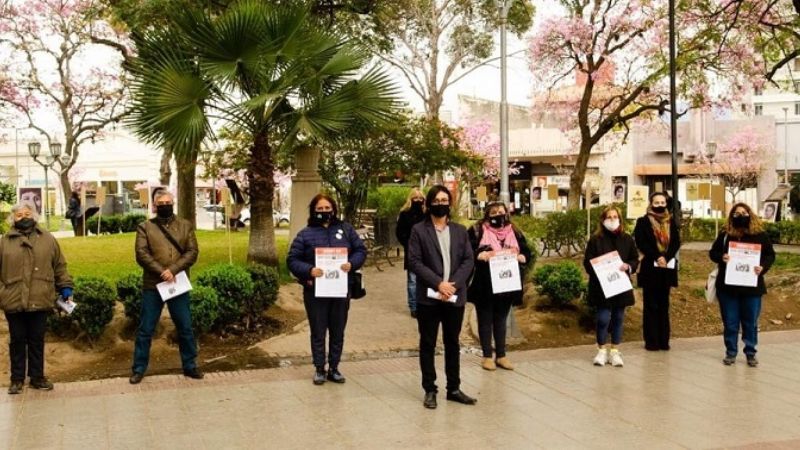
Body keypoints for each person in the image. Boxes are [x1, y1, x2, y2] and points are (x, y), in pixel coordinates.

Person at [408, 185, 476, 409]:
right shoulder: (419, 230)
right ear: (429, 204)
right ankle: (430, 388)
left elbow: (468, 260)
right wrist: (439, 284)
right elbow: (415, 262)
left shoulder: (459, 230)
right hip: (429, 296)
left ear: (450, 203)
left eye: (444, 199)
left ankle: (454, 388)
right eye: (436, 200)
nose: (440, 203)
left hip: (454, 296)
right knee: (427, 343)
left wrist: (452, 286)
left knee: (452, 342)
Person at [287, 194, 366, 385]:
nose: (324, 212)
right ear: (313, 211)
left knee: (338, 330)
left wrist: (351, 263)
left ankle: (335, 367)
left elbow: (361, 250)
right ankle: (319, 368)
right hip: (315, 291)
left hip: (340, 290)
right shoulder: (305, 234)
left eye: (327, 208)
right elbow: (292, 260)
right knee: (318, 331)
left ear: (334, 209)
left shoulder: (346, 229)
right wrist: (309, 270)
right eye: (319, 209)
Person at [130, 191, 202, 384]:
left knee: (185, 327)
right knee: (146, 329)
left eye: (167, 202)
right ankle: (138, 369)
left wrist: (173, 270)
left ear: (173, 203)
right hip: (153, 285)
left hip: (178, 284)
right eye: (160, 203)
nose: (164, 205)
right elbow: (141, 253)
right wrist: (162, 271)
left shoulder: (185, 225)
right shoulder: (145, 227)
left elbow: (192, 252)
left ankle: (190, 365)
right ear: (155, 205)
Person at [1, 202, 73, 394]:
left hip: (40, 297)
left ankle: (37, 377)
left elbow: (59, 265)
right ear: (13, 219)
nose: (24, 217)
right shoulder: (4, 241)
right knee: (17, 340)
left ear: (34, 215)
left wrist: (65, 286)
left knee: (36, 340)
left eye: (27, 213)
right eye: (19, 215)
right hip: (13, 299)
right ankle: (16, 379)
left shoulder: (48, 239)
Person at [467, 202, 532, 371]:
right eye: (494, 212)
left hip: (506, 283)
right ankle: (487, 356)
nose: (498, 215)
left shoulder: (514, 231)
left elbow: (526, 250)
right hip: (484, 284)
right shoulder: (477, 230)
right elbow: (466, 251)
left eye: (501, 212)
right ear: (487, 214)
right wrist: (479, 255)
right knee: (485, 319)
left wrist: (523, 256)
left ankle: (501, 355)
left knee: (501, 319)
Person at [709, 203, 775, 367]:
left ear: (750, 214)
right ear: (731, 216)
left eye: (744, 213)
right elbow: (713, 253)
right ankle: (731, 352)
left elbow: (770, 255)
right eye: (736, 213)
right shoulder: (725, 234)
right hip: (728, 287)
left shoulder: (760, 234)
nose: (740, 216)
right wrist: (722, 257)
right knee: (730, 322)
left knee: (750, 322)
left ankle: (750, 352)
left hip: (751, 287)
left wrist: (763, 267)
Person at [583, 206, 639, 367]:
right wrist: (598, 268)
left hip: (620, 285)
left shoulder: (627, 239)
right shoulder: (595, 240)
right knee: (603, 318)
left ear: (620, 220)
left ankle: (615, 351)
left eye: (615, 217)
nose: (612, 220)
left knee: (618, 318)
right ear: (603, 220)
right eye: (609, 217)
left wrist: (628, 266)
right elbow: (587, 261)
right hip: (602, 287)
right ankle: (601, 350)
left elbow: (634, 259)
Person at [634, 192, 681, 351]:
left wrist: (666, 258)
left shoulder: (671, 222)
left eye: (663, 202)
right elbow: (641, 242)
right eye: (657, 202)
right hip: (650, 268)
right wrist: (657, 256)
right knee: (651, 305)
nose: (660, 205)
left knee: (664, 305)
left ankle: (664, 340)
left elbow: (676, 242)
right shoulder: (642, 222)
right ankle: (651, 341)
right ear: (651, 203)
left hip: (666, 268)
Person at [395, 187, 426, 318]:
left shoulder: (427, 213)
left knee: (425, 278)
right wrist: (408, 244)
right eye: (415, 198)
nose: (418, 201)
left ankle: (425, 304)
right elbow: (399, 232)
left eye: (420, 198)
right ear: (411, 199)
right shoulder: (405, 214)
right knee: (412, 280)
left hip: (426, 251)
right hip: (412, 251)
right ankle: (414, 306)